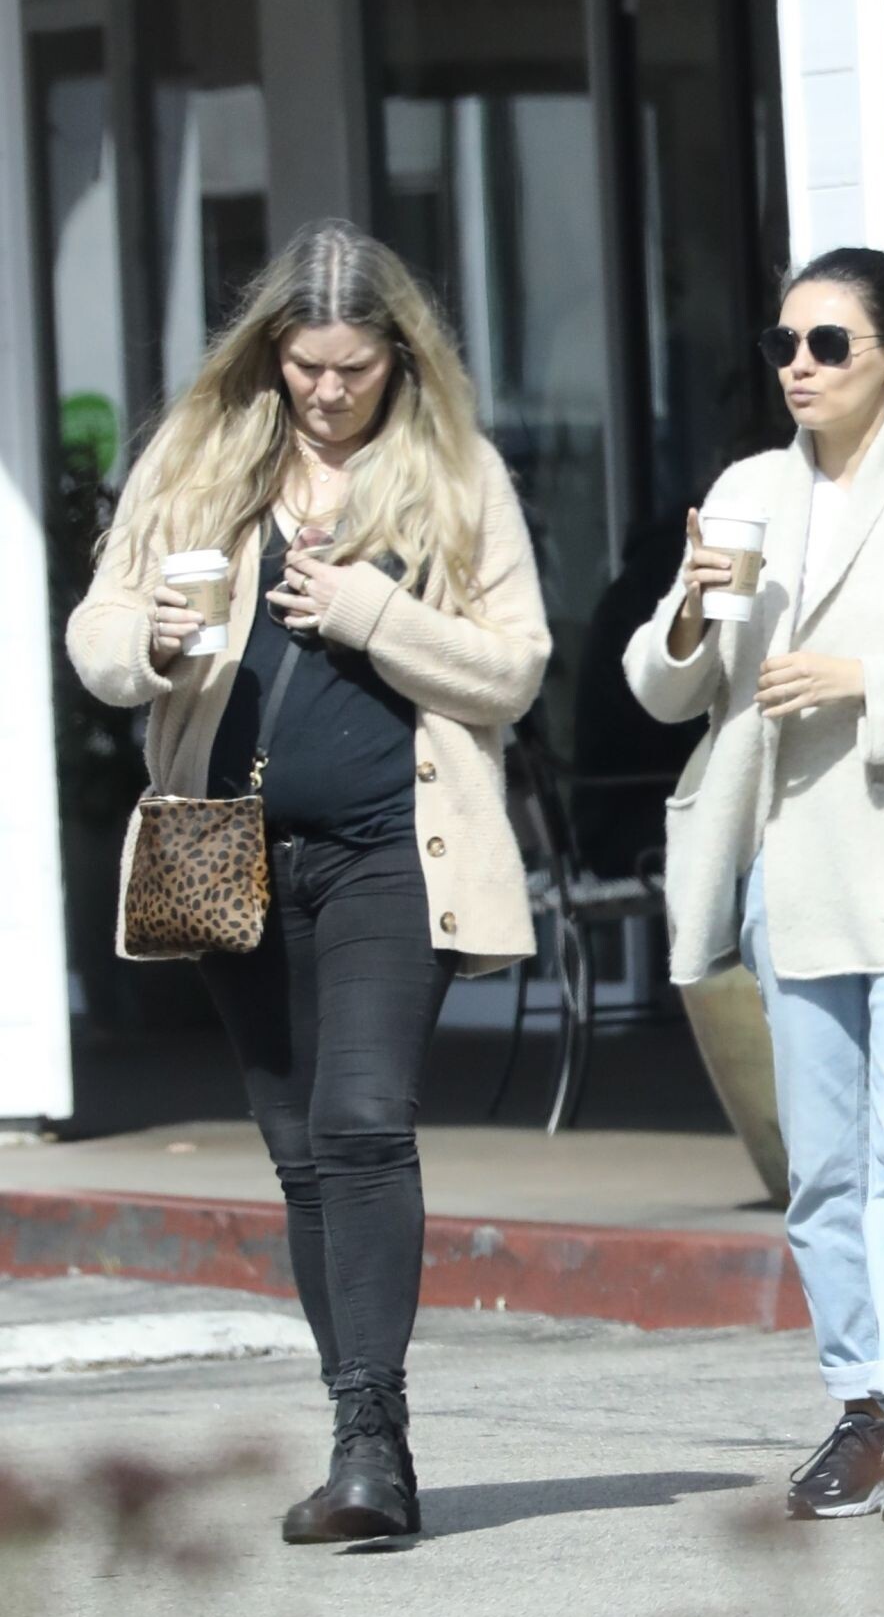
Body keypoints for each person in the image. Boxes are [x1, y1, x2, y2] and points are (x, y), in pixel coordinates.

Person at [67, 220, 550, 1544]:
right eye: (304, 365)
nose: (328, 392)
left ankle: (370, 1446)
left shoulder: (455, 472)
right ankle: (358, 1434)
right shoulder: (197, 454)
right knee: (298, 1152)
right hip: (227, 851)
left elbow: (513, 667)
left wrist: (368, 614)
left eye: (355, 368)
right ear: (267, 349)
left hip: (395, 845)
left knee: (363, 1123)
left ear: (403, 354)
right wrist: (153, 640)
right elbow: (97, 634)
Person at [623, 247, 884, 1530]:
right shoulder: (748, 492)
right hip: (793, 867)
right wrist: (691, 614)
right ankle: (863, 1404)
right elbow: (664, 688)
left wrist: (865, 681)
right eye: (783, 345)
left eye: (828, 344)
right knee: (821, 1171)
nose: (799, 367)